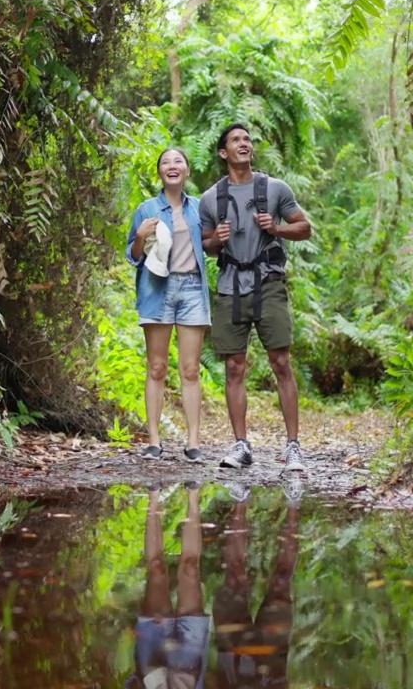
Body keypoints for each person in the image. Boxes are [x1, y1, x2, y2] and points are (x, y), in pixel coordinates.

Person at [200, 123, 313, 472]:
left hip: (269, 284)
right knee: (234, 367)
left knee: (281, 362)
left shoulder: (275, 189)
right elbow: (203, 243)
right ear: (224, 153)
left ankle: (293, 447)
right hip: (231, 287)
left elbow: (304, 227)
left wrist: (276, 229)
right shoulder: (210, 199)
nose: (244, 143)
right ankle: (241, 445)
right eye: (236, 140)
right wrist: (216, 240)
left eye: (247, 139)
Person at [125, 148, 211, 463]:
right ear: (160, 172)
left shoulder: (201, 210)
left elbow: (211, 246)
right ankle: (154, 441)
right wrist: (140, 236)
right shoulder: (146, 210)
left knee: (190, 369)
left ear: (187, 170)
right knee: (157, 367)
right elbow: (133, 256)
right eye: (165, 162)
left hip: (191, 290)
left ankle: (193, 443)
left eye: (178, 162)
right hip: (156, 289)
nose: (172, 166)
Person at [213, 475, 303, 689]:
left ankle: (240, 502)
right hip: (271, 668)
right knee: (282, 581)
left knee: (235, 578)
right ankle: (293, 505)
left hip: (231, 657)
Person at [126, 484, 209, 689]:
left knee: (156, 571)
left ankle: (153, 495)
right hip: (188, 668)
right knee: (191, 570)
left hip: (153, 669)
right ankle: (193, 493)